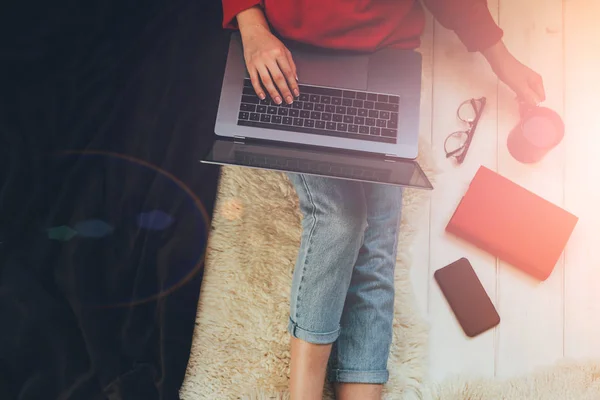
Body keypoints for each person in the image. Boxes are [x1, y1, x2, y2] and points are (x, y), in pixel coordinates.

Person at [220, 1, 545, 399]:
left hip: (385, 63)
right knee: (340, 217)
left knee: (378, 243)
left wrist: (501, 57)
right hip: (290, 59)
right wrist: (252, 28)